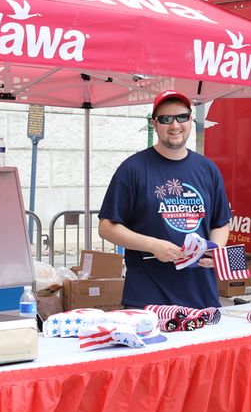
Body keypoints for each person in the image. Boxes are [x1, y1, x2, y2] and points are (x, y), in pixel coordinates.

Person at [98, 90, 231, 309]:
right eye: (165, 119)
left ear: (191, 119)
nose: (175, 125)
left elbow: (221, 222)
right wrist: (153, 245)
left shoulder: (208, 169)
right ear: (154, 123)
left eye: (181, 117)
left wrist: (213, 249)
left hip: (201, 296)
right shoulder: (132, 169)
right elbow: (106, 227)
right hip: (148, 299)